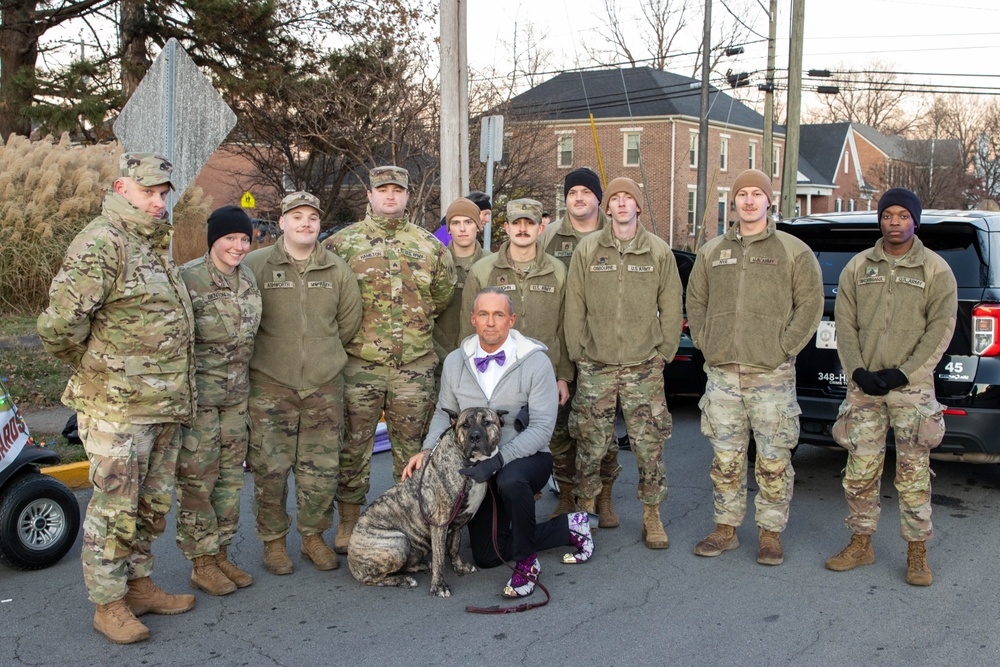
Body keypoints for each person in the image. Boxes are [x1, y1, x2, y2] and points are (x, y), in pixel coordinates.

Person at [37, 153, 197, 644]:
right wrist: (100, 367)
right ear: (121, 187)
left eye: (163, 193)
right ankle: (108, 604)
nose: (157, 201)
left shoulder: (150, 243)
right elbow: (59, 326)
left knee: (150, 505)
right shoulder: (102, 243)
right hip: (119, 408)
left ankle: (139, 585)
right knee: (116, 507)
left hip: (163, 403)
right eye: (148, 192)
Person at [403, 287, 593, 598]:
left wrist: (499, 459)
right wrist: (426, 450)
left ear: (511, 320)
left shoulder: (535, 362)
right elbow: (442, 414)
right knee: (489, 556)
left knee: (510, 479)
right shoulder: (454, 362)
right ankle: (571, 527)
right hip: (476, 465)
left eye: (499, 315)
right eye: (484, 315)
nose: (491, 322)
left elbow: (543, 428)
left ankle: (527, 563)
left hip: (526, 458)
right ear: (473, 320)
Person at [686, 168, 823, 566]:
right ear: (734, 203)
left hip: (771, 375)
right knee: (725, 459)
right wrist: (706, 341)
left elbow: (810, 305)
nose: (749, 200)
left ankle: (770, 534)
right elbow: (696, 301)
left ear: (769, 201)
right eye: (742, 194)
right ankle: (725, 529)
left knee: (773, 459)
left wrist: (784, 347)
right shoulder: (713, 251)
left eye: (756, 194)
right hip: (724, 373)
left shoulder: (792, 251)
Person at [824, 188, 956, 586]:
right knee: (860, 469)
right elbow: (843, 324)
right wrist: (858, 370)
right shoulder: (858, 267)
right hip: (865, 388)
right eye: (887, 215)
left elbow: (941, 327)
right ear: (879, 220)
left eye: (902, 215)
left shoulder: (935, 270)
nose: (894, 222)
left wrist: (906, 372)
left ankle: (917, 553)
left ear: (915, 220)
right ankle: (861, 542)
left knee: (913, 473)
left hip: (910, 390)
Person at [326, 166, 455, 553]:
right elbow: (330, 300)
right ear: (369, 195)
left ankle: (408, 523)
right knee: (353, 447)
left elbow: (441, 295)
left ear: (407, 196)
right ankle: (349, 523)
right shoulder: (341, 245)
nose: (390, 197)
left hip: (412, 368)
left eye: (397, 191)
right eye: (382, 190)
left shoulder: (430, 246)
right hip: (359, 365)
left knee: (412, 450)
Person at [243, 191, 363, 575]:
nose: (305, 223)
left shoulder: (336, 269)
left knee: (321, 470)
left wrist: (322, 354)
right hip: (271, 385)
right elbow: (246, 320)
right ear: (281, 222)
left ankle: (313, 537)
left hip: (323, 385)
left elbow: (348, 322)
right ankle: (274, 544)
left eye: (312, 217)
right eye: (297, 217)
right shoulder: (256, 265)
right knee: (270, 469)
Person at [564, 176, 682, 549]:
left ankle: (652, 516)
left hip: (642, 366)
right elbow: (575, 306)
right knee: (590, 446)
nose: (621, 204)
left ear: (638, 206)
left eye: (628, 198)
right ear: (608, 207)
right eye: (615, 199)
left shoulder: (658, 252)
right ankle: (585, 515)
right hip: (596, 365)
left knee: (649, 447)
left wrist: (663, 353)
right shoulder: (588, 250)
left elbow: (673, 303)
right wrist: (578, 354)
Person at [175, 206, 262, 595]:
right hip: (200, 403)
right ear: (214, 240)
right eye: (230, 238)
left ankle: (222, 553)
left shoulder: (249, 281)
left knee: (229, 482)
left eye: (244, 239)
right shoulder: (188, 279)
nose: (239, 246)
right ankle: (202, 562)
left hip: (236, 400)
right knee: (198, 483)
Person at [539, 167, 622, 526]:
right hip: (559, 342)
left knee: (601, 431)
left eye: (586, 192)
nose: (578, 198)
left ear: (598, 200)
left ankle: (604, 498)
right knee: (560, 428)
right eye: (572, 192)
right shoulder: (551, 237)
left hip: (601, 347)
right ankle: (567, 496)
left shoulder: (615, 233)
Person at [460, 199, 571, 414]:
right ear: (506, 227)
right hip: (494, 376)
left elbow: (565, 328)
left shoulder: (557, 271)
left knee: (548, 441)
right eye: (516, 223)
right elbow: (468, 328)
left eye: (529, 223)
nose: (522, 229)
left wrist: (563, 377)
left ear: (540, 228)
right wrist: (470, 378)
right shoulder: (482, 271)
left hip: (544, 374)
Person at [433, 198, 485, 371]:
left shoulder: (493, 264)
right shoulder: (434, 264)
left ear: (478, 225)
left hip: (484, 361)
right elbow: (424, 317)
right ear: (448, 228)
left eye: (468, 222)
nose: (462, 229)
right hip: (443, 362)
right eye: (455, 223)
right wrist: (447, 355)